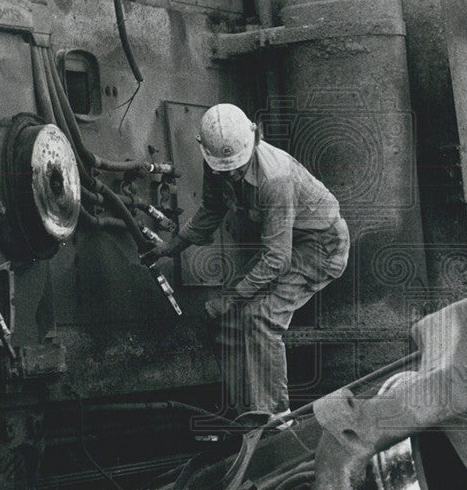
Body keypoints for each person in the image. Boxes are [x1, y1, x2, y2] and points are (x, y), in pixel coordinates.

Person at [144, 103, 349, 426]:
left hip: (321, 246)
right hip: (289, 244)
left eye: (238, 169)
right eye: (225, 170)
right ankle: (249, 417)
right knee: (226, 319)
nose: (233, 175)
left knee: (260, 318)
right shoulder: (218, 163)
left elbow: (277, 259)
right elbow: (210, 210)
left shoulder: (275, 178)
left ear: (255, 138)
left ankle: (278, 422)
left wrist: (231, 298)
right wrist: (171, 248)